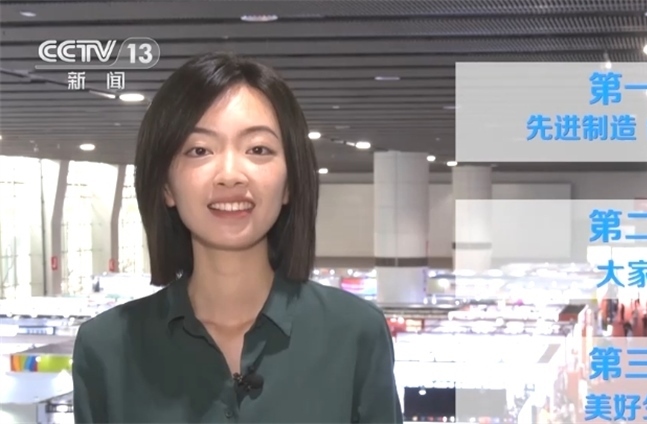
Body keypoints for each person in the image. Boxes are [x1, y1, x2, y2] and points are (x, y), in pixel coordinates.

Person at [71, 53, 402, 423]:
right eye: (199, 150)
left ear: (290, 182)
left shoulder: (354, 333)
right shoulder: (107, 347)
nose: (230, 175)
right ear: (165, 186)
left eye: (258, 149)